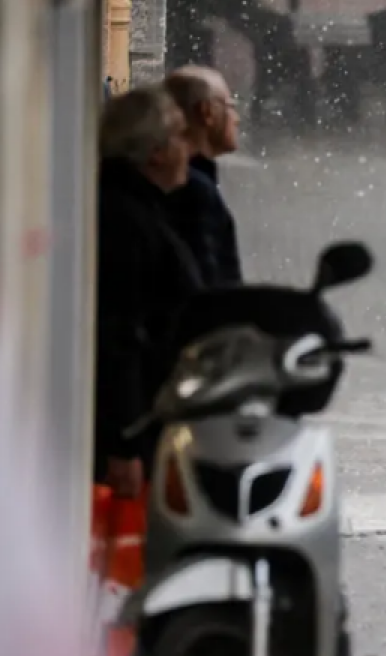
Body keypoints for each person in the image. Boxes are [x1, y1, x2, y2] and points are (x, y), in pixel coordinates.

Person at [96, 85, 205, 497]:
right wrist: (123, 443)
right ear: (155, 151)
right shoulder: (126, 219)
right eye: (180, 135)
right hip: (133, 429)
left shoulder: (139, 208)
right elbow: (119, 333)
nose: (189, 148)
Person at [162, 65, 244, 285]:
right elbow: (212, 290)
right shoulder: (191, 189)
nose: (236, 118)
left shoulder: (171, 179)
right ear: (206, 111)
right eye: (231, 107)